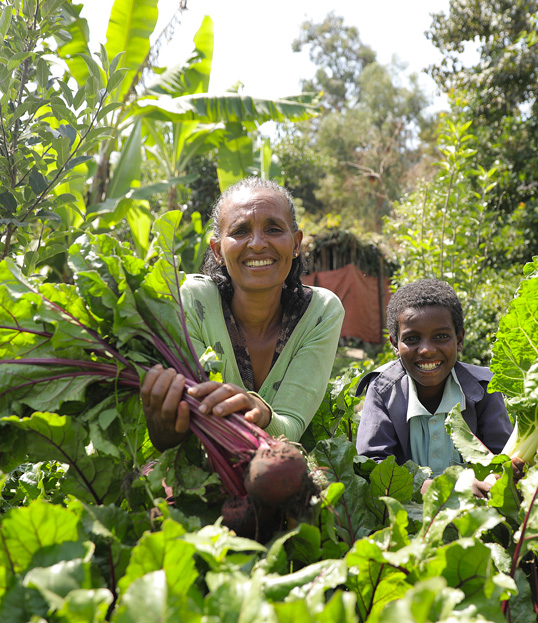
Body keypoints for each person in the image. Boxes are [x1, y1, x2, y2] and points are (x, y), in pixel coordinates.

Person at [141, 177, 345, 451]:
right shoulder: (189, 301)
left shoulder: (320, 312)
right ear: (217, 251)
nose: (258, 244)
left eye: (273, 229)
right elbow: (189, 424)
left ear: (296, 244)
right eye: (240, 231)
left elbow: (291, 427)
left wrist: (261, 413)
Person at [355, 278, 513, 496]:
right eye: (412, 339)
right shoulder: (383, 390)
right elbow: (372, 464)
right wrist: (436, 489)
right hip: (405, 516)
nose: (427, 350)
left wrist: (493, 480)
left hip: (475, 516)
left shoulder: (484, 389)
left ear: (459, 339)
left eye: (441, 336)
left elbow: (503, 457)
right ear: (394, 344)